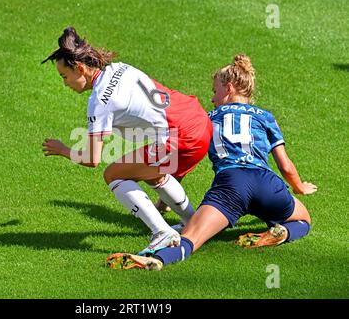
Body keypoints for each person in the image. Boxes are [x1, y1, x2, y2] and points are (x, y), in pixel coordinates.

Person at [106, 54, 317, 270]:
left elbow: (184, 163)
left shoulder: (207, 118)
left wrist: (164, 201)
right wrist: (300, 187)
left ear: (229, 88)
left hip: (231, 186)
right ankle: (283, 232)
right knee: (303, 220)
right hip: (267, 184)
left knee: (190, 240)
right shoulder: (264, 116)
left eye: (215, 92)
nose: (213, 99)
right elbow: (285, 166)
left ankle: (157, 259)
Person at [41, 27, 212, 255]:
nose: (65, 83)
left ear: (80, 68)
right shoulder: (119, 68)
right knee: (150, 170)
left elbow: (92, 160)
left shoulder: (100, 101)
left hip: (179, 136)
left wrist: (63, 150)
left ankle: (162, 233)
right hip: (197, 119)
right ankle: (192, 222)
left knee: (113, 174)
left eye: (64, 76)